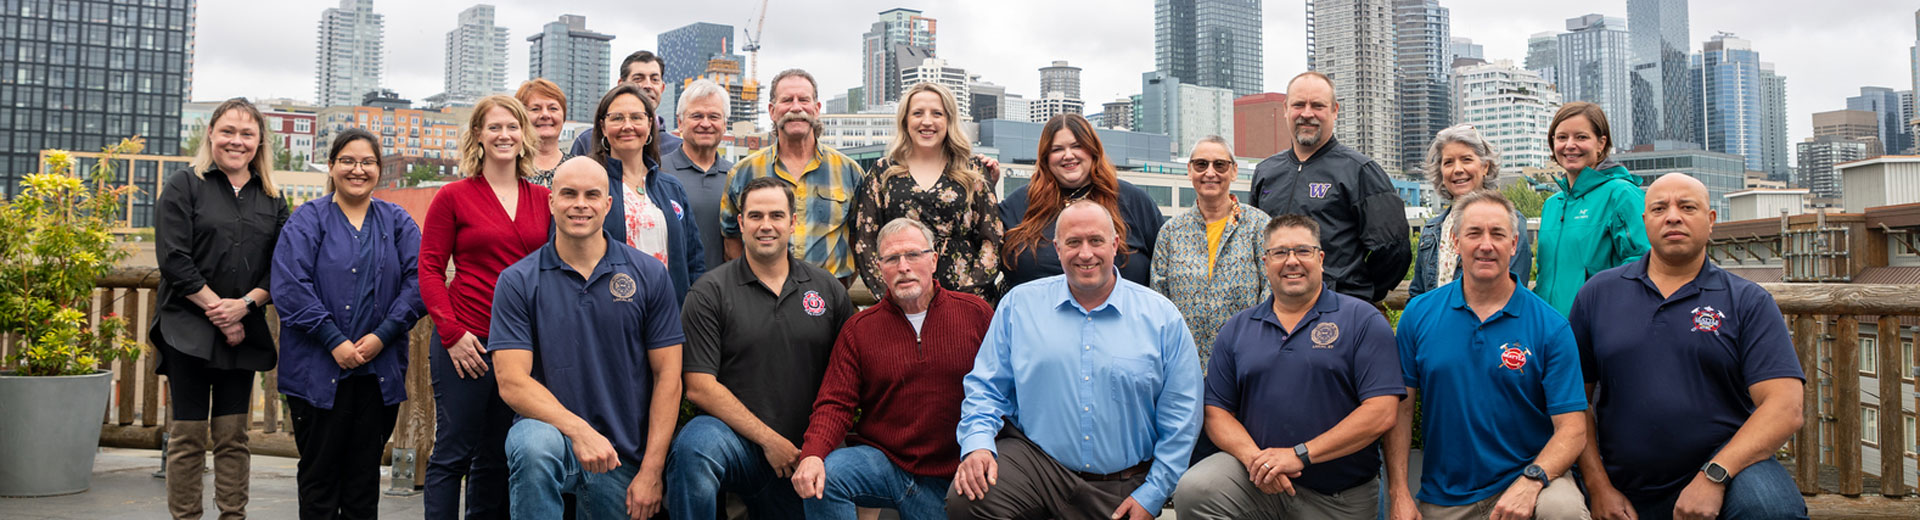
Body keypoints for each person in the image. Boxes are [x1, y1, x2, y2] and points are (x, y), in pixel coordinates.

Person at [1573, 173, 1808, 520]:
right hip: (1620, 476)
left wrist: (1714, 475)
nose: (1672, 216)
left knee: (1772, 510)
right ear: (1645, 221)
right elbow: (1574, 401)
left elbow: (1785, 407)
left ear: (1710, 221)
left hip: (1729, 469)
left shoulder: (1747, 301)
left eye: (1687, 207)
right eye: (1659, 208)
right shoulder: (1598, 294)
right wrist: (1598, 486)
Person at [948, 199, 1202, 520]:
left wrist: (1152, 495)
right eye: (1073, 242)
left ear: (1114, 245)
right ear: (1057, 248)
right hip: (1038, 468)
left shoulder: (1161, 317)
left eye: (1096, 241)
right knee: (969, 496)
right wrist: (978, 444)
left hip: (1122, 483)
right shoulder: (1020, 306)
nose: (1085, 253)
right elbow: (986, 388)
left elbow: (1182, 417)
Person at [1172, 214, 1404, 519]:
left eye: (1303, 251)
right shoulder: (1238, 328)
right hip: (1258, 484)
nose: (1291, 261)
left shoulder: (1362, 320)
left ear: (1320, 259)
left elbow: (1382, 412)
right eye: (1280, 253)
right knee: (1196, 488)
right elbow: (1217, 412)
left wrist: (1300, 455)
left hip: (1338, 496)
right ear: (1265, 262)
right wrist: (1258, 461)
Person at [490, 158, 686, 519]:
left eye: (592, 195)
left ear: (608, 204)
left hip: (623, 457)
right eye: (568, 194)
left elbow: (668, 378)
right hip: (554, 444)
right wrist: (580, 431)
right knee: (530, 443)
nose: (580, 204)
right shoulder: (518, 281)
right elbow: (512, 382)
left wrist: (652, 472)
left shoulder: (649, 274)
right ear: (551, 202)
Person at [1388, 190, 1589, 520]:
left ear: (1513, 245)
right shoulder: (1418, 314)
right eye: (1474, 233)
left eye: (1498, 234)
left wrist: (1532, 481)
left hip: (1530, 481)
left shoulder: (1550, 326)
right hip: (1446, 493)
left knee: (1563, 510)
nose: (1486, 244)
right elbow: (1401, 408)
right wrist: (1398, 493)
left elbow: (1573, 429)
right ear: (1455, 242)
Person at [668, 177, 855, 520]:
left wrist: (813, 447)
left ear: (792, 222)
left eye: (776, 215)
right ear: (740, 223)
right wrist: (770, 441)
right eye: (755, 216)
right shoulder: (710, 292)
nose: (765, 225)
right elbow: (699, 386)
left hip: (808, 449)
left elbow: (851, 377)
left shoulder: (827, 290)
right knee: (694, 447)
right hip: (736, 444)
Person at [790, 218, 995, 519]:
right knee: (827, 475)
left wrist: (984, 449)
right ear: (879, 268)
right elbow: (834, 403)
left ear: (933, 260)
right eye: (892, 259)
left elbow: (1001, 392)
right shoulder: (859, 329)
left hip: (959, 474)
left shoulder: (976, 314)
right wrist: (812, 454)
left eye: (913, 254)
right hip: (888, 465)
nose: (903, 267)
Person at [271, 128, 427, 519]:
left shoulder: (396, 222)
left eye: (368, 162)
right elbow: (290, 286)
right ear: (331, 166)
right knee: (319, 479)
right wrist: (333, 340)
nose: (358, 170)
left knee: (363, 482)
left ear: (379, 169)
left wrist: (382, 335)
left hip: (378, 373)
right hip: (317, 372)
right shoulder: (308, 219)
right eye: (348, 161)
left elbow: (421, 280)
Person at [153, 97, 289, 520]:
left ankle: (233, 516)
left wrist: (245, 307)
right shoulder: (184, 184)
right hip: (186, 329)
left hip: (243, 331)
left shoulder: (272, 198)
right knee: (187, 437)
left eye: (247, 133)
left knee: (233, 436)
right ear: (210, 133)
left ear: (260, 141)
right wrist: (220, 311)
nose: (237, 141)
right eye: (228, 131)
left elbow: (280, 266)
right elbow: (174, 259)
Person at [418, 95, 552, 519]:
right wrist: (452, 335)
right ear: (477, 134)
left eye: (512, 126)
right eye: (494, 127)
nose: (504, 135)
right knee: (453, 451)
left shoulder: (542, 198)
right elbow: (428, 269)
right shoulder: (453, 196)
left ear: (524, 134)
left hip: (519, 345)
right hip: (467, 342)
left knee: (496, 454)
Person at [1249, 72, 1411, 305]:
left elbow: (1394, 249)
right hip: (1277, 309)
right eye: (1298, 105)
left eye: (1317, 105)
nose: (1307, 114)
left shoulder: (1360, 171)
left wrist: (1355, 292)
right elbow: (1256, 242)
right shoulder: (1266, 172)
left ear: (1335, 110)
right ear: (1285, 109)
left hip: (1338, 310)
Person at [851, 82, 1004, 300]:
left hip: (965, 298)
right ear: (905, 120)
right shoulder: (882, 173)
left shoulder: (973, 170)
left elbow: (992, 239)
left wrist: (966, 297)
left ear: (949, 120)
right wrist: (890, 296)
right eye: (918, 113)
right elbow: (865, 242)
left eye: (937, 114)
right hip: (902, 297)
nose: (927, 121)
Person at [719, 68, 866, 284]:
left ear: (816, 109)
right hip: (763, 297)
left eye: (803, 100)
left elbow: (857, 237)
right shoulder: (743, 172)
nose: (796, 108)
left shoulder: (849, 172)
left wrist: (838, 287)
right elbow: (731, 237)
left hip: (831, 299)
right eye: (787, 100)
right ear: (772, 110)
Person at [999, 114, 1164, 291]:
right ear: (1045, 157)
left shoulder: (1134, 202)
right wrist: (985, 189)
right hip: (1035, 316)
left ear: (1093, 150)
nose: (1068, 155)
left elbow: (1164, 268)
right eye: (1057, 149)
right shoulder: (1020, 204)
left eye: (1077, 146)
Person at [1151, 135, 1272, 364]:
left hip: (1246, 360)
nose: (1210, 172)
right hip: (1184, 363)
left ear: (1234, 171)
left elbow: (1272, 290)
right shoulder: (1170, 233)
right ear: (1189, 170)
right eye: (1201, 164)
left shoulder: (1259, 226)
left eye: (1220, 165)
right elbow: (1159, 301)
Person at [589, 83, 706, 302]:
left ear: (649, 124)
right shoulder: (589, 187)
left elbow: (694, 260)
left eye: (636, 117)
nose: (627, 126)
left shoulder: (671, 188)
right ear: (603, 127)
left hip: (668, 315)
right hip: (608, 314)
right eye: (616, 118)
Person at [1535, 101, 1649, 315]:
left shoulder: (1621, 194)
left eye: (1581, 137)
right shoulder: (1552, 205)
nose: (1570, 145)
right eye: (1561, 137)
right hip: (1551, 332)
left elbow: (1644, 264)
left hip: (1599, 328)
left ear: (1601, 143)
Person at [1410, 124, 1533, 297]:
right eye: (1448, 162)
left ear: (1485, 167)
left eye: (1466, 159)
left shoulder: (1509, 221)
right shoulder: (1433, 229)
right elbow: (1418, 294)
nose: (1458, 169)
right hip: (1436, 323)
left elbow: (1511, 295)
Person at [661, 78, 734, 269]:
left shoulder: (737, 177)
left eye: (714, 116)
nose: (706, 123)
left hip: (723, 292)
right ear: (680, 122)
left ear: (725, 124)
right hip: (671, 291)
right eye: (696, 116)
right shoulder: (658, 173)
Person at [569, 50, 682, 157]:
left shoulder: (679, 148)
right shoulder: (587, 141)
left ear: (662, 88)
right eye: (638, 79)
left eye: (655, 79)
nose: (648, 85)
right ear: (621, 85)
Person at [516, 78, 570, 187]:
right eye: (535, 109)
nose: (545, 115)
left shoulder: (578, 167)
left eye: (553, 108)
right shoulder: (509, 169)